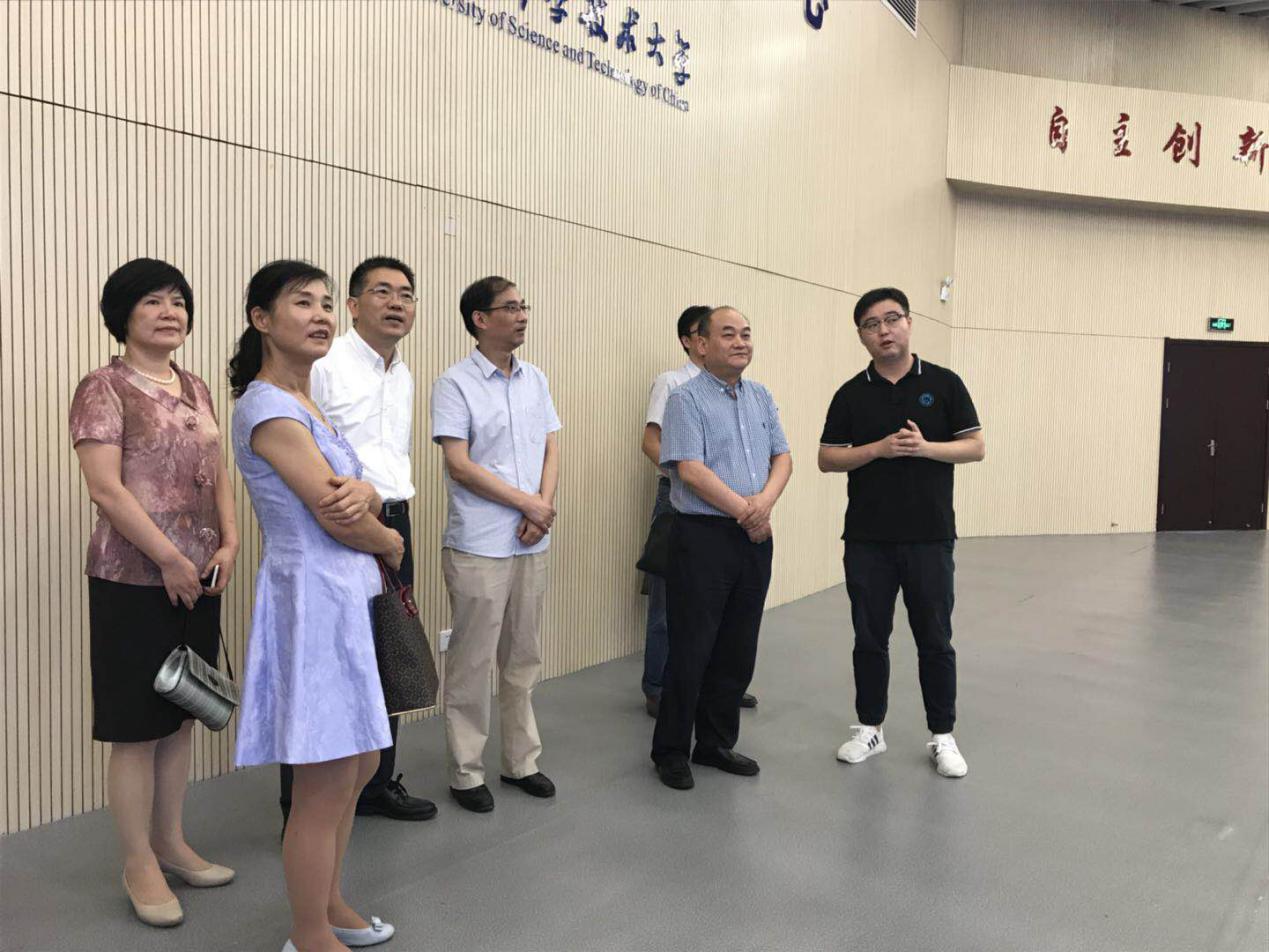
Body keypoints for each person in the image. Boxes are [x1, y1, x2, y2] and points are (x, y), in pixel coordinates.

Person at [229, 260, 405, 952]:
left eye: (327, 303)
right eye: (302, 302)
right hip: (314, 599)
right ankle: (307, 933)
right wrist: (389, 539)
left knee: (358, 765)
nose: (322, 315)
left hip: (344, 595)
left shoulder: (306, 404)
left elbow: (353, 489)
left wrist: (367, 498)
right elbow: (337, 514)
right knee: (325, 779)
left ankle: (330, 903)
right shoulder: (269, 408)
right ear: (262, 319)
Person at [70, 258, 239, 928]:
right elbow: (105, 488)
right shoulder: (104, 387)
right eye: (152, 302)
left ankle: (170, 841)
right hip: (133, 578)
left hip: (200, 576)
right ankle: (137, 860)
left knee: (183, 712)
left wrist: (229, 542)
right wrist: (169, 558)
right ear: (123, 314)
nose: (170, 312)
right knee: (137, 728)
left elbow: (217, 471)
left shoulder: (196, 385)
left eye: (178, 302)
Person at [278, 256, 434, 829]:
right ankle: (300, 804)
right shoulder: (326, 364)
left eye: (406, 295)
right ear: (351, 305)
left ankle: (375, 786)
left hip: (395, 521)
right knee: (324, 666)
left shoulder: (403, 373)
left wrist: (391, 531)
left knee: (387, 655)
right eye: (382, 292)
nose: (397, 303)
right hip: (337, 525)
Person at [817, 287, 985, 779]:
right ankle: (870, 728)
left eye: (892, 319)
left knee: (935, 638)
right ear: (862, 336)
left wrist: (924, 448)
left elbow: (975, 447)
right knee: (870, 637)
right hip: (867, 539)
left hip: (929, 536)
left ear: (909, 323)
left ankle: (943, 735)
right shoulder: (851, 393)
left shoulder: (945, 383)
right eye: (872, 324)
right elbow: (827, 458)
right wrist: (878, 449)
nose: (884, 331)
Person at [431, 275, 561, 813]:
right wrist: (527, 504)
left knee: (523, 657)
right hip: (479, 542)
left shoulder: (536, 379)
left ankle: (520, 761)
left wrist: (541, 506)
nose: (522, 315)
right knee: (472, 660)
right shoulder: (454, 383)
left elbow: (551, 446)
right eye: (510, 307)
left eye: (524, 305)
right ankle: (466, 771)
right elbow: (459, 465)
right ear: (480, 319)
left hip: (531, 539)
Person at [650, 306, 792, 791]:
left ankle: (714, 742)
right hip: (703, 536)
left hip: (755, 535)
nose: (740, 342)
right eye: (728, 334)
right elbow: (689, 470)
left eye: (746, 334)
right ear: (702, 344)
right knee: (692, 647)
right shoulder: (685, 399)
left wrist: (763, 505)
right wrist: (746, 512)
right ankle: (671, 750)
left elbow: (783, 457)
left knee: (738, 645)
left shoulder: (761, 396)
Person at [640, 306, 758, 718]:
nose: (734, 341)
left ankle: (717, 685)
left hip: (730, 507)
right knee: (669, 601)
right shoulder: (673, 384)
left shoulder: (741, 390)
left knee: (723, 604)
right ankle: (658, 686)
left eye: (742, 333)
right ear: (692, 341)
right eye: (717, 333)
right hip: (682, 501)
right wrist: (684, 476)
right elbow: (651, 442)